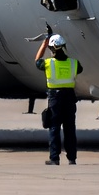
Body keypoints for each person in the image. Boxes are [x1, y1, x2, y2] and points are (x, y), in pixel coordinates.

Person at [35, 33, 83, 166]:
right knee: (70, 129)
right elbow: (80, 69)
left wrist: (43, 45)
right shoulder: (74, 63)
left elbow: (37, 60)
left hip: (55, 97)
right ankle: (72, 158)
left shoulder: (48, 63)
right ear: (64, 47)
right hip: (69, 97)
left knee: (54, 128)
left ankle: (54, 158)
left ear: (51, 48)